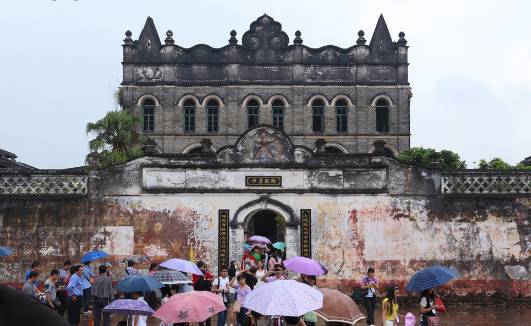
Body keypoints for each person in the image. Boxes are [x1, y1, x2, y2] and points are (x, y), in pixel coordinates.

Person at [0, 285, 71, 326]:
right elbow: (47, 293)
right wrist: (51, 304)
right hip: (50, 303)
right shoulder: (48, 283)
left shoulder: (51, 283)